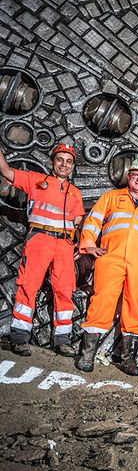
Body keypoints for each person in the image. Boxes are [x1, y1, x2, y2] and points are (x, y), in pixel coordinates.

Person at [76, 157, 138, 375]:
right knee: (101, 301)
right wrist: (90, 245)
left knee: (136, 306)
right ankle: (87, 354)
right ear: (129, 176)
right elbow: (93, 221)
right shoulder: (111, 197)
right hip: (111, 258)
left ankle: (129, 359)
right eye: (136, 175)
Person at [0, 143, 84, 357]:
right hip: (40, 239)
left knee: (64, 290)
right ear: (52, 161)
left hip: (64, 244)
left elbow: (78, 219)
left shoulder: (75, 192)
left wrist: (77, 241)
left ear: (73, 166)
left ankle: (62, 341)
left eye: (68, 161)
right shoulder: (35, 180)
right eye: (60, 160)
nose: (64, 165)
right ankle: (19, 338)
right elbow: (6, 171)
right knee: (28, 285)